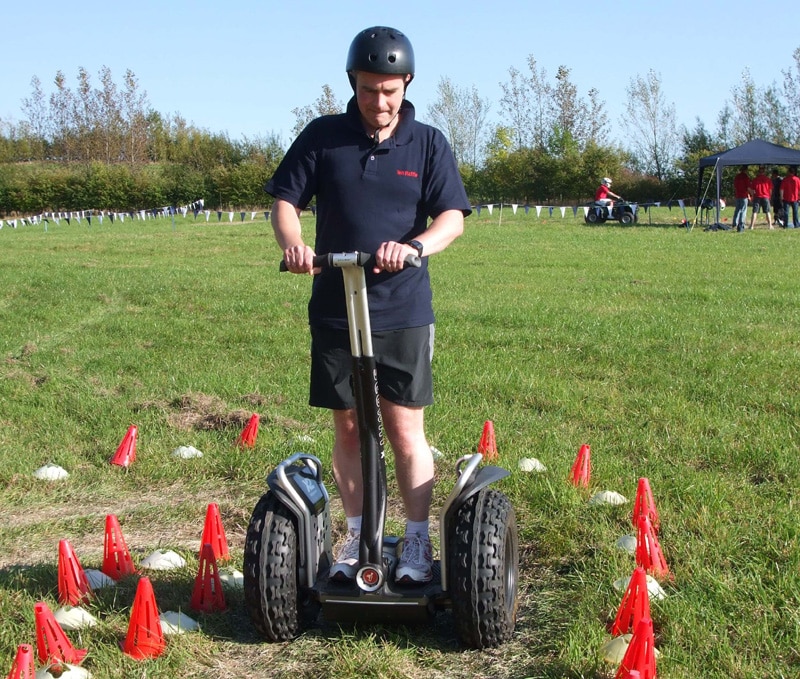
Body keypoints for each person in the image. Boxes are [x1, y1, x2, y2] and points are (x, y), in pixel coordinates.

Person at [265, 26, 471, 585]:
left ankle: (415, 541)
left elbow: (451, 216)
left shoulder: (427, 143)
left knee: (405, 430)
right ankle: (358, 534)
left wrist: (415, 247)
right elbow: (286, 199)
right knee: (351, 428)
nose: (380, 102)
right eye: (368, 90)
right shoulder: (323, 137)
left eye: (390, 90)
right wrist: (293, 244)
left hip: (401, 306)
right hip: (336, 302)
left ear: (406, 83)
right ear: (352, 83)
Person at [748, 166, 773, 230]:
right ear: (764, 172)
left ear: (759, 172)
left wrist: (752, 195)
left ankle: (751, 226)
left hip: (757, 196)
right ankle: (770, 225)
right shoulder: (768, 179)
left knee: (755, 212)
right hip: (765, 196)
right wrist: (770, 196)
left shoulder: (755, 179)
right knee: (767, 211)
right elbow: (770, 189)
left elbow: (751, 188)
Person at [732, 165, 751, 232]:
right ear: (746, 170)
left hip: (738, 195)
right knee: (743, 210)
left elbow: (734, 186)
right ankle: (741, 224)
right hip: (743, 195)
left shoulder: (737, 177)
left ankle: (734, 223)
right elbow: (748, 187)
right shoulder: (746, 177)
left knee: (737, 209)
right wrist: (751, 193)